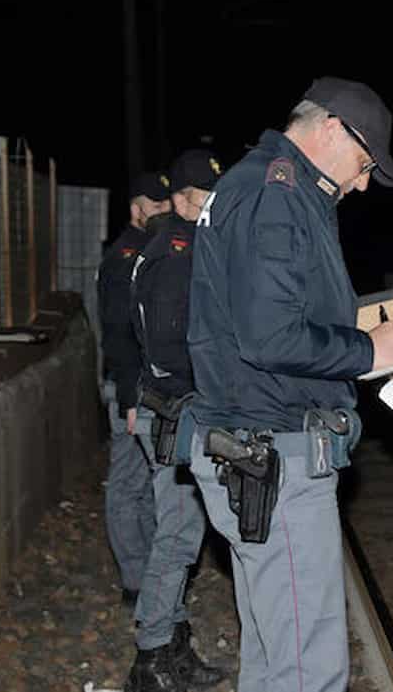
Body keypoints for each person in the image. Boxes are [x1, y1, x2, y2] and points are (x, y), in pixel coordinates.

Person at [181, 76, 393, 692]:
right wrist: (365, 349)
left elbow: (289, 323)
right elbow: (270, 336)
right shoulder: (277, 195)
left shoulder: (272, 187)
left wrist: (385, 360)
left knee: (276, 655)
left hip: (256, 444)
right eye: (362, 164)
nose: (360, 184)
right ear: (331, 128)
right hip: (273, 451)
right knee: (307, 665)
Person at [125, 151, 226, 690]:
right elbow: (169, 348)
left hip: (171, 409)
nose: (214, 204)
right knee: (177, 536)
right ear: (186, 197)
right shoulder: (177, 251)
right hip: (172, 411)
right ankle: (151, 660)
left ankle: (173, 648)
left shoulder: (180, 245)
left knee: (182, 533)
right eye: (206, 196)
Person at [97, 172, 170, 607]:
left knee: (147, 484)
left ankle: (148, 577)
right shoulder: (126, 256)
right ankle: (136, 581)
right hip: (130, 388)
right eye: (155, 206)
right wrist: (128, 395)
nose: (164, 213)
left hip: (144, 386)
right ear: (136, 210)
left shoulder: (151, 251)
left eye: (167, 205)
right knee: (129, 484)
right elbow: (119, 331)